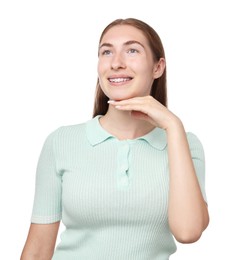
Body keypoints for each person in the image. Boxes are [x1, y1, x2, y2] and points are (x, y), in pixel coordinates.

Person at [20, 18, 209, 260]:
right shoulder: (62, 142)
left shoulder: (184, 143)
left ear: (158, 67)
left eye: (132, 50)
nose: (116, 63)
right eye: (106, 52)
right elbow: (37, 251)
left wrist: (173, 126)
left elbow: (188, 231)